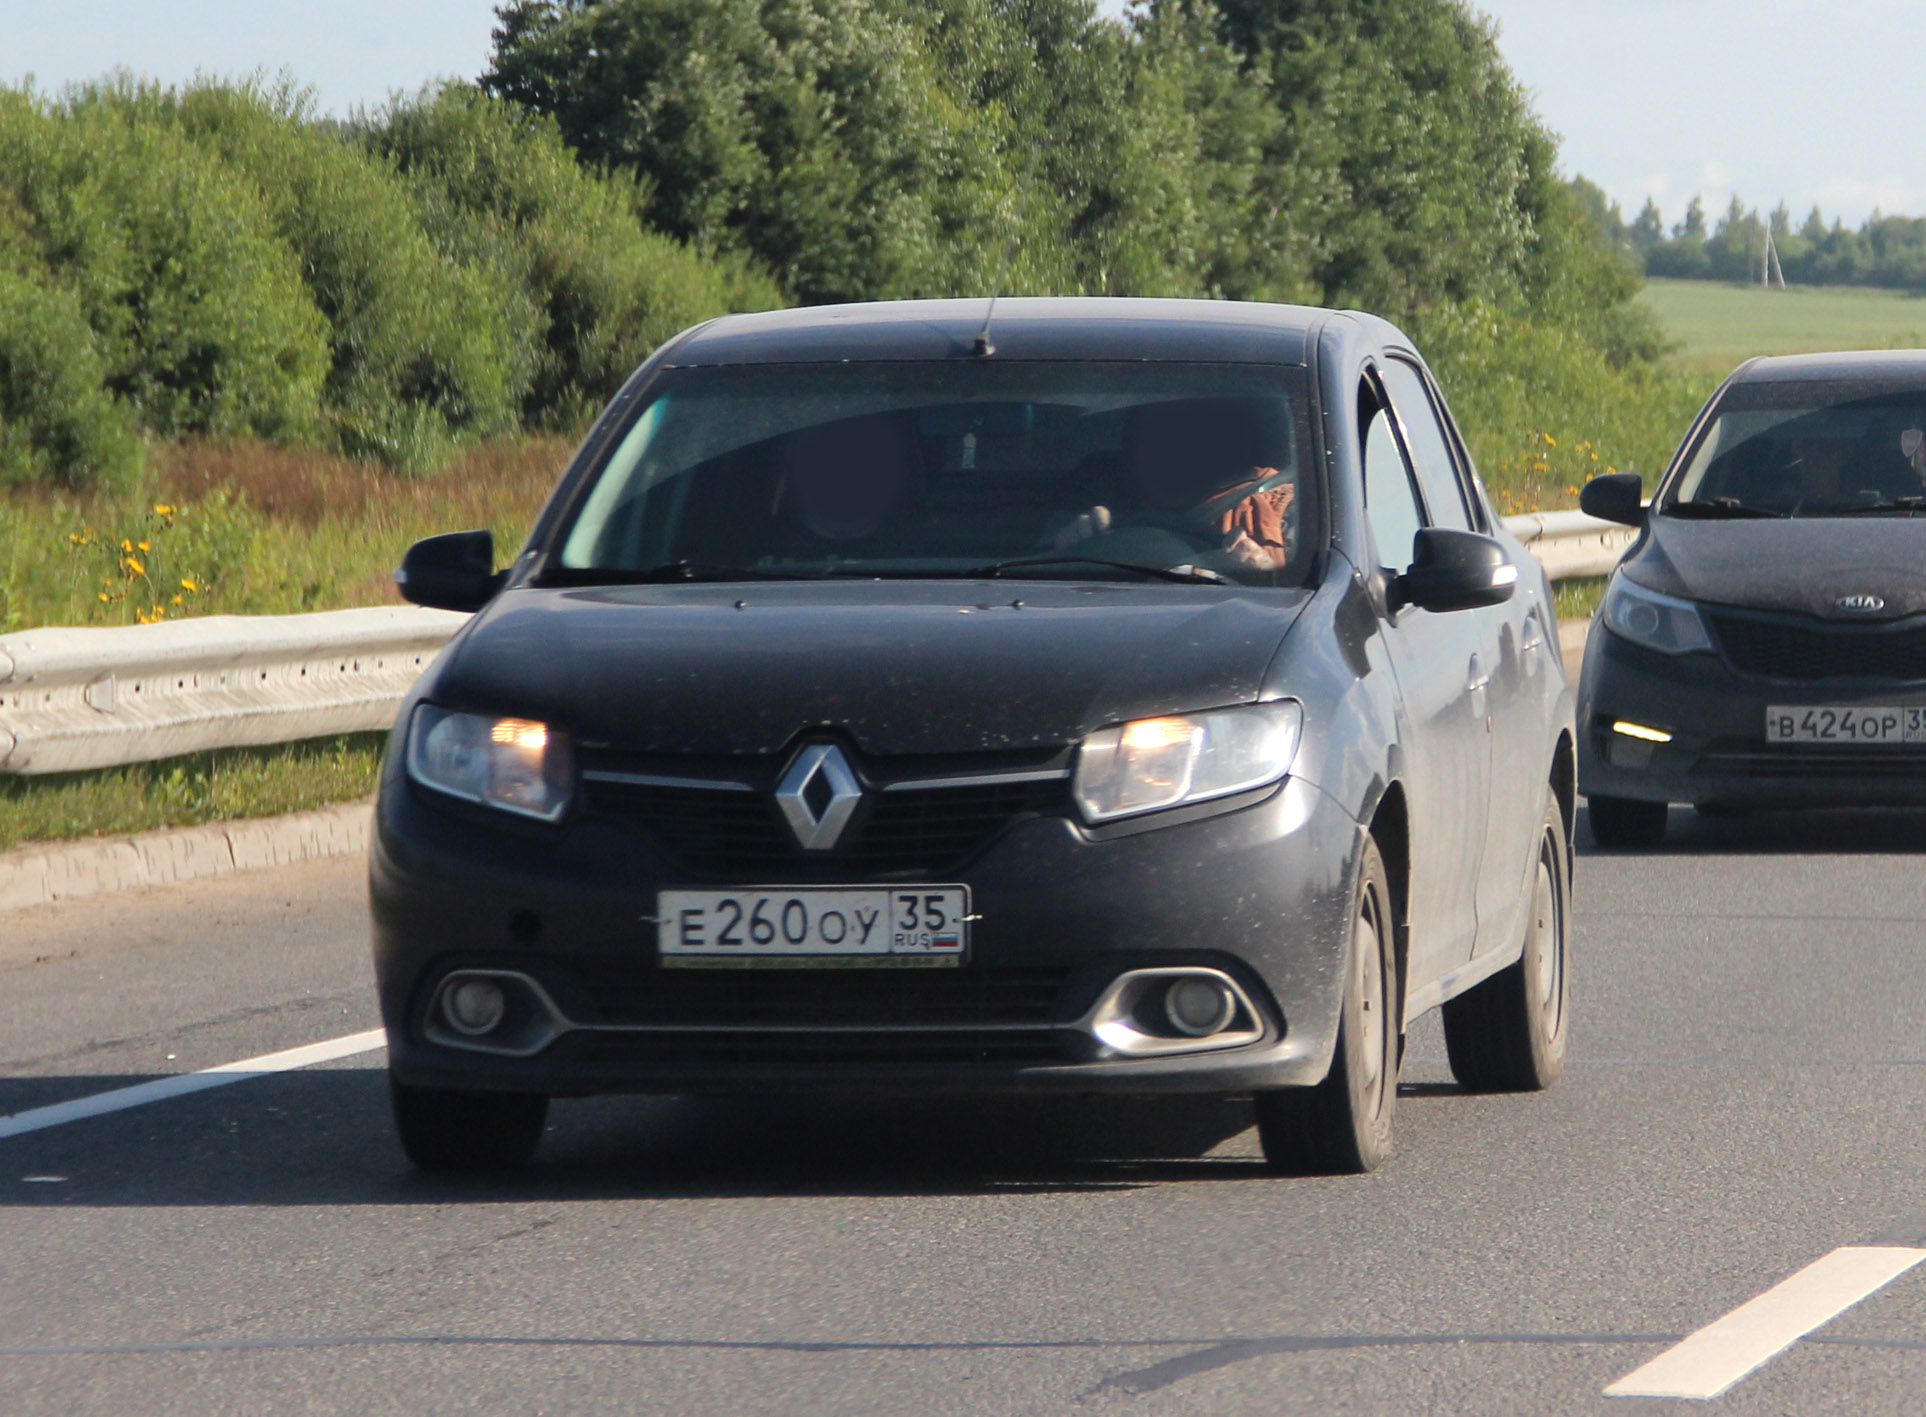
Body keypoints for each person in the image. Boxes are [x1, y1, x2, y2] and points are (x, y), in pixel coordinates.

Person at [1054, 397, 1296, 573]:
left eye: (1201, 430)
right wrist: (1069, 548)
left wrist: (1263, 571)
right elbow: (1029, 572)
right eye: (1162, 431)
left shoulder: (1292, 507)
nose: (1181, 445)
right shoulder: (1097, 491)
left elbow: (1304, 593)